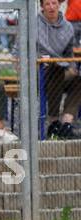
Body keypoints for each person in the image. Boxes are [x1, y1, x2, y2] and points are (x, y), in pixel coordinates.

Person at [38, 0, 81, 139]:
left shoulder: (68, 26)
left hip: (60, 69)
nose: (51, 7)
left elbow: (69, 52)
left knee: (78, 79)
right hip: (37, 71)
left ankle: (66, 124)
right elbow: (17, 51)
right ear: (42, 6)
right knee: (55, 69)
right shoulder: (32, 24)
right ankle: (53, 121)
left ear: (59, 5)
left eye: (54, 3)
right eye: (47, 4)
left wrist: (72, 67)